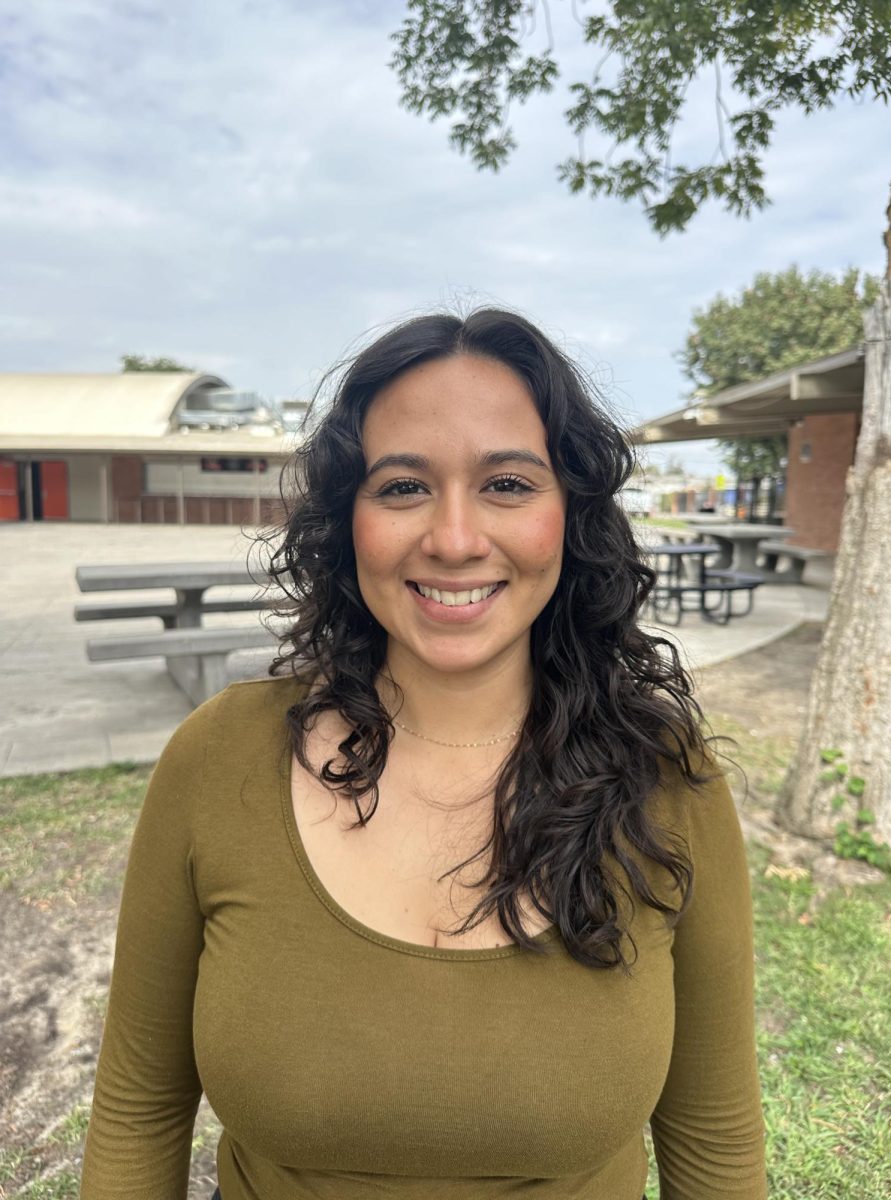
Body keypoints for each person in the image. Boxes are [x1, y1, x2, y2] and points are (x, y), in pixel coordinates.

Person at [81, 308, 767, 1199]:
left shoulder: (668, 780)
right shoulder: (217, 761)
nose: (452, 538)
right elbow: (138, 1110)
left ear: (573, 513)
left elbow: (713, 1145)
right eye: (402, 486)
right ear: (346, 519)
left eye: (509, 485)